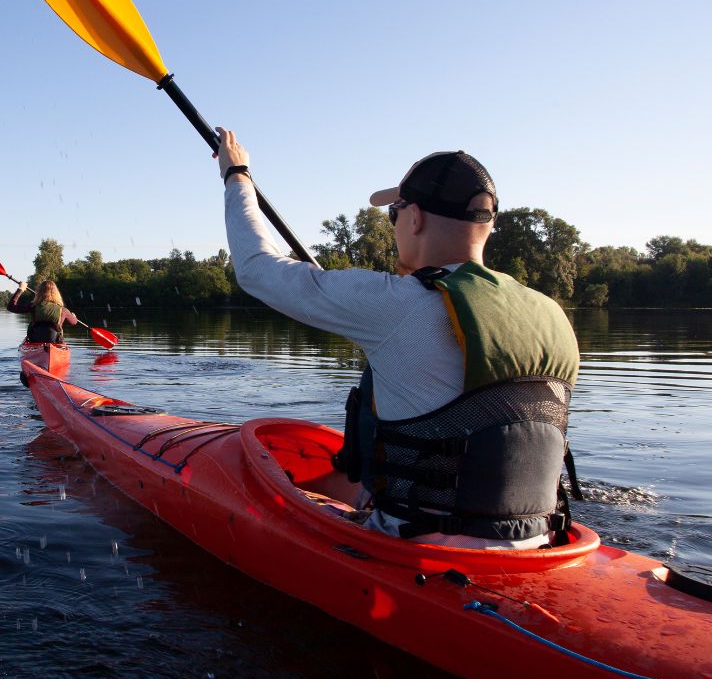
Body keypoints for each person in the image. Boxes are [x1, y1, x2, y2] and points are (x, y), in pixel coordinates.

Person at [216, 128, 580, 549]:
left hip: (418, 547)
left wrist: (236, 175)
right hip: (539, 542)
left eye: (395, 213)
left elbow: (256, 267)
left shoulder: (400, 303)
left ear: (416, 217)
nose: (395, 226)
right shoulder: (550, 313)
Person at [7, 280, 78, 343]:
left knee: (32, 325)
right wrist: (74, 317)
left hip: (35, 341)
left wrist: (21, 289)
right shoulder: (63, 310)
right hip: (55, 342)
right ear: (56, 293)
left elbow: (11, 307)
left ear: (39, 292)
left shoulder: (33, 306)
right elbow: (74, 322)